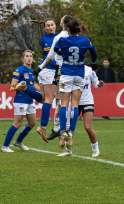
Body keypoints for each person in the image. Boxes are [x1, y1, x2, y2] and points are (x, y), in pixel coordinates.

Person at [34, 17, 97, 150]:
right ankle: (70, 132)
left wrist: (41, 67)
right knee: (74, 104)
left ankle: (61, 131)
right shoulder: (83, 40)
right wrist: (93, 62)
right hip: (79, 74)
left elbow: (53, 54)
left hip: (64, 73)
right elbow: (93, 51)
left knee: (61, 103)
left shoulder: (61, 39)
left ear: (65, 26)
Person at [35, 16, 69, 143]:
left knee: (46, 98)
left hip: (47, 69)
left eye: (52, 25)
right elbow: (51, 58)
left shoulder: (56, 37)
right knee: (51, 98)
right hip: (49, 70)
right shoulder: (47, 39)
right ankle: (43, 126)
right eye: (47, 25)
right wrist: (62, 65)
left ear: (56, 26)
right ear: (44, 28)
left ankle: (56, 128)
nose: (50, 27)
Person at [2, 50, 43, 153]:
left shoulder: (32, 72)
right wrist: (19, 86)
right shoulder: (19, 70)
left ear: (32, 59)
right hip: (20, 99)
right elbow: (12, 86)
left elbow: (33, 85)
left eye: (30, 56)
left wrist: (43, 92)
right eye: (27, 56)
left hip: (30, 100)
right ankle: (5, 146)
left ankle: (18, 142)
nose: (29, 58)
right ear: (23, 58)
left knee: (32, 123)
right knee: (17, 123)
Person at [71, 65, 105, 157]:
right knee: (70, 127)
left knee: (88, 127)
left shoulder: (89, 70)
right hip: (74, 102)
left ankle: (95, 149)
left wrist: (99, 84)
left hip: (87, 101)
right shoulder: (70, 68)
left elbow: (96, 84)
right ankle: (68, 149)